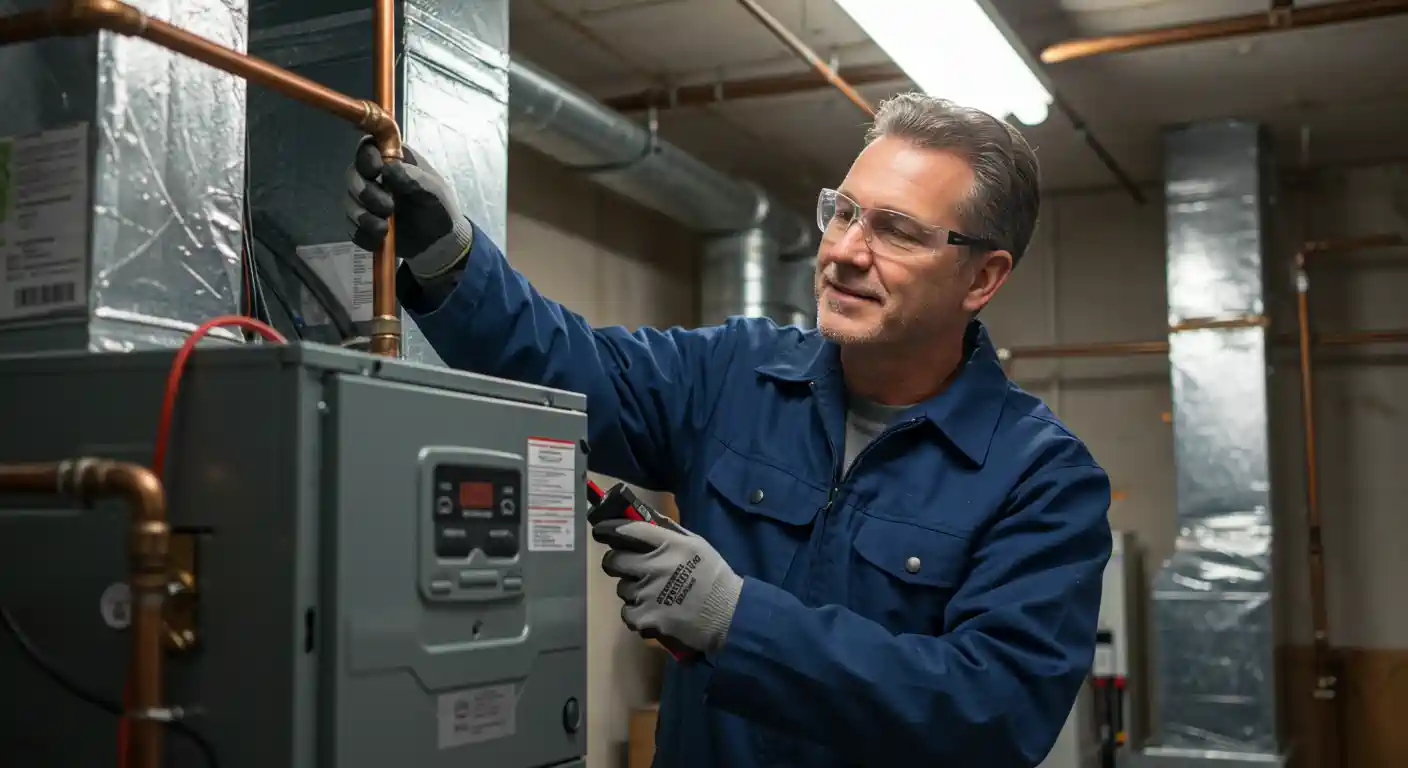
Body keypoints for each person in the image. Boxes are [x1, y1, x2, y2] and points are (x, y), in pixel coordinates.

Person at [344, 93, 1112, 767]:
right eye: (842, 211)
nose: (844, 251)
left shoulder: (1040, 480)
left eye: (897, 231)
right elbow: (566, 363)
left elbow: (993, 713)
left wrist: (735, 619)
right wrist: (449, 255)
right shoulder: (736, 374)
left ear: (983, 277)